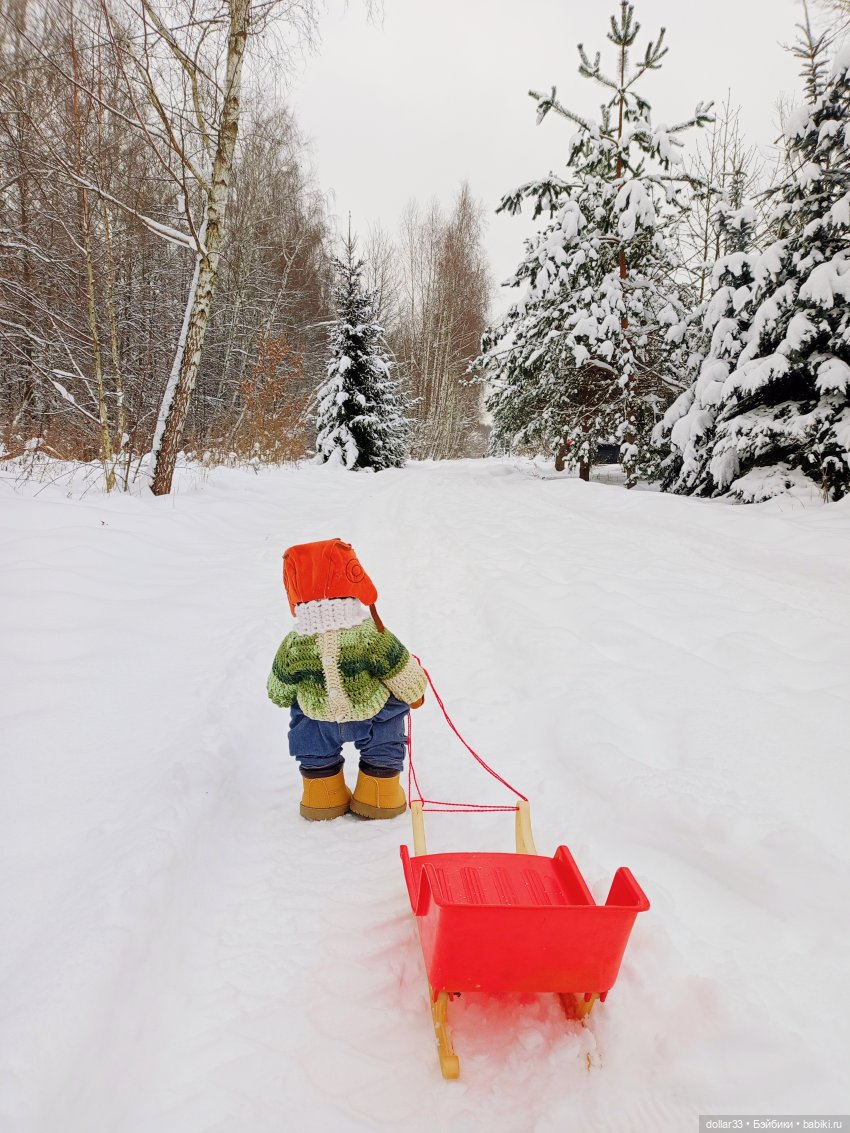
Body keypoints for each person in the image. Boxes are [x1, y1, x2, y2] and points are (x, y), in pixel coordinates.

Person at [267, 538, 426, 821]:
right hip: (373, 715)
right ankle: (380, 792)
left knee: (307, 730)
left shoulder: (293, 643)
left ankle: (321, 795)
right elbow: (399, 669)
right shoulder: (369, 633)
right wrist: (415, 694)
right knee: (386, 735)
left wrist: (286, 693)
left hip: (318, 720)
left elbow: (279, 690)